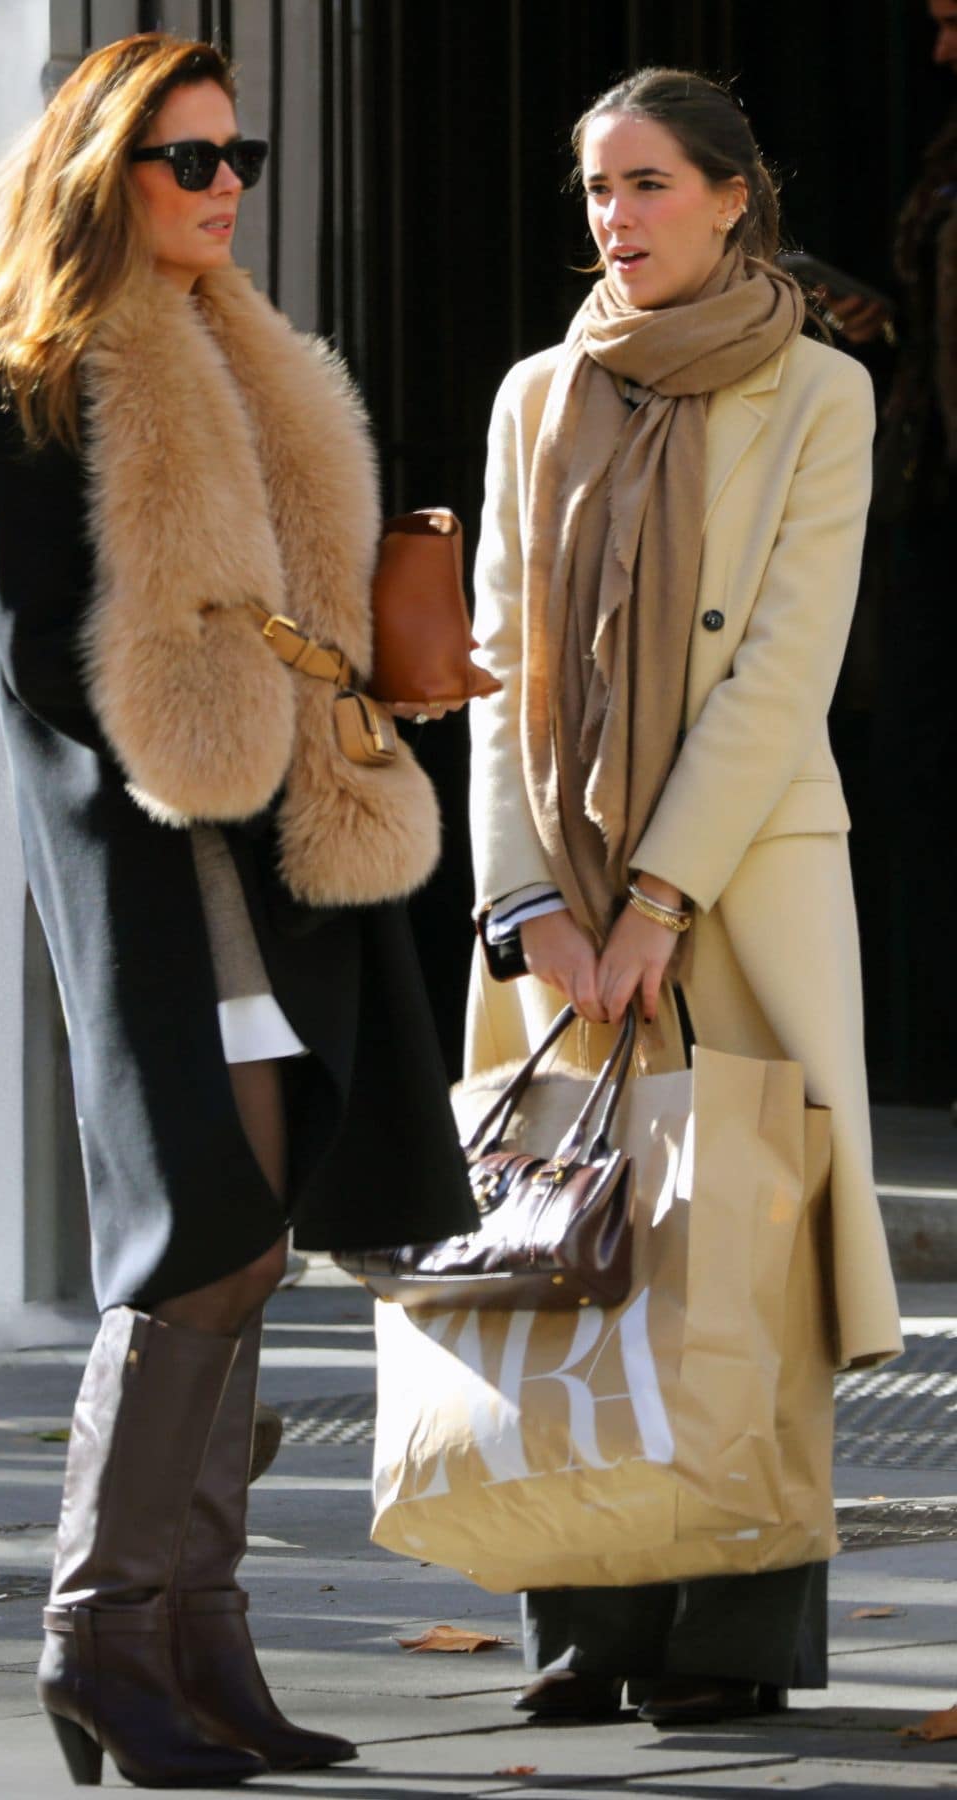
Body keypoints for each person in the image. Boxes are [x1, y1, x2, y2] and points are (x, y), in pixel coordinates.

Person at [0, 33, 475, 1789]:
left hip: (285, 848)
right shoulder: (33, 382)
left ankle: (198, 1636)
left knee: (249, 1241)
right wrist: (217, 710)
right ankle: (102, 1628)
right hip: (162, 855)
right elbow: (41, 661)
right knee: (206, 1236)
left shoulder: (259, 362)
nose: (229, 178)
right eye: (189, 156)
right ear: (104, 174)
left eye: (237, 149)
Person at [466, 66, 902, 1730]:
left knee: (746, 1259)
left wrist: (659, 897)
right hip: (562, 908)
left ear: (733, 197)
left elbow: (785, 667)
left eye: (648, 186)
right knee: (574, 1257)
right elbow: (498, 674)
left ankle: (729, 1636)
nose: (614, 219)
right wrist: (531, 905)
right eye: (597, 190)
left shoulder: (821, 397)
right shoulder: (533, 399)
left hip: (741, 888)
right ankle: (586, 1624)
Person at [822, 0, 957, 1101]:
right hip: (933, 501)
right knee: (916, 775)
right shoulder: (946, 154)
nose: (941, 50)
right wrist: (891, 326)